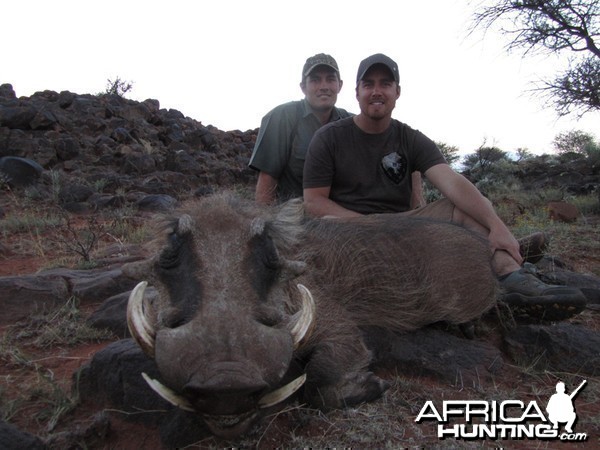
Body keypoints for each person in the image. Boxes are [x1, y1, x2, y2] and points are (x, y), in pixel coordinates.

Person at [303, 53, 586, 304]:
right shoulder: (329, 138)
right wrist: (368, 224)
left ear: (397, 92)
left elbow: (451, 182)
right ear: (357, 93)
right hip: (351, 233)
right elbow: (314, 202)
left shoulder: (410, 138)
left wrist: (497, 224)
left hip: (402, 231)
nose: (377, 91)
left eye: (385, 84)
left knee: (459, 208)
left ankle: (512, 277)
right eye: (369, 84)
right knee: (326, 224)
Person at [248, 53, 351, 204]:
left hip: (344, 218)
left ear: (340, 85)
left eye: (330, 79)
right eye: (315, 80)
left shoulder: (350, 122)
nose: (324, 87)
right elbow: (267, 181)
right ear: (303, 87)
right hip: (296, 220)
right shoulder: (281, 117)